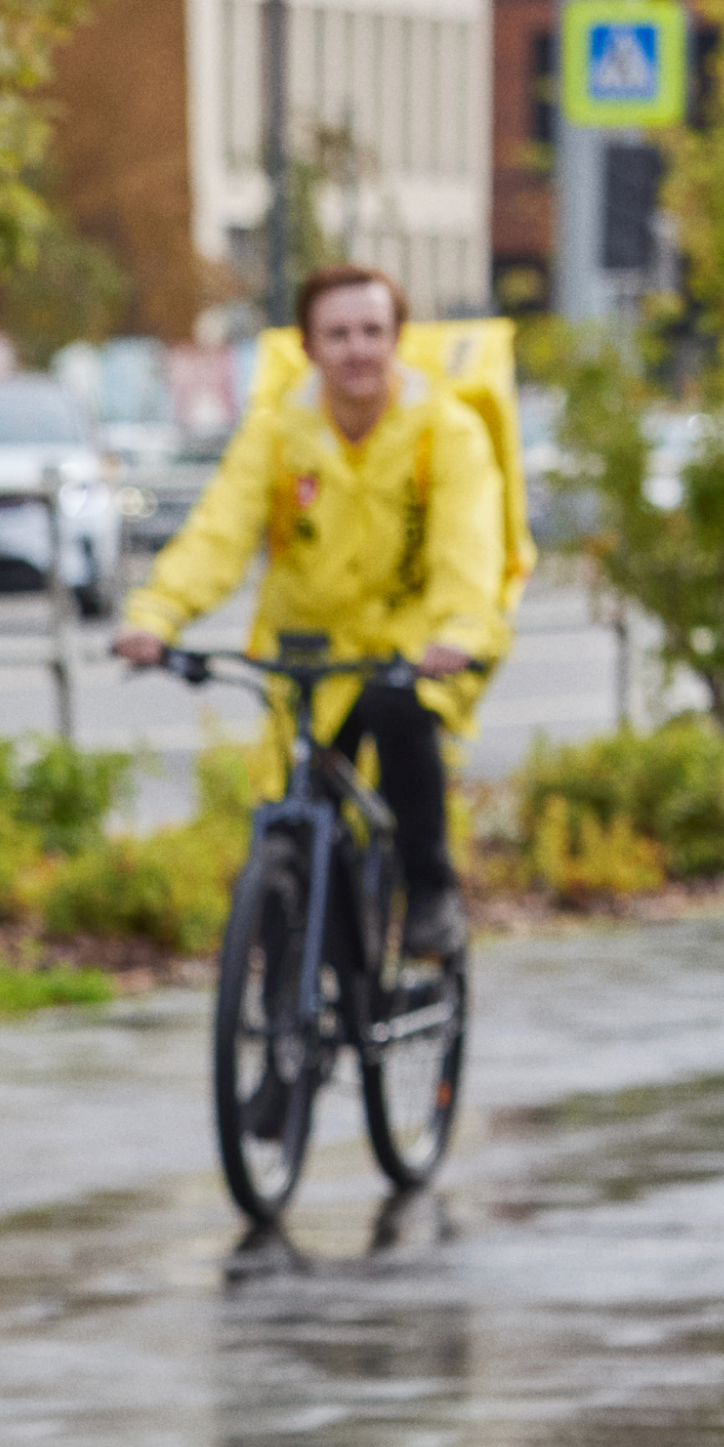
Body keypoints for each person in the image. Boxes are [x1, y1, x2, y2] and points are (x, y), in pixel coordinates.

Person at [110, 264, 512, 961]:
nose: (357, 349)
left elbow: (469, 548)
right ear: (307, 345)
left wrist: (462, 631)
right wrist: (157, 615)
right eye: (338, 333)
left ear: (398, 338)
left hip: (413, 644)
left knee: (399, 713)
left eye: (372, 331)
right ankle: (290, 1014)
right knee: (290, 827)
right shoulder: (277, 431)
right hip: (309, 652)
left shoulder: (444, 431)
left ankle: (430, 890)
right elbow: (218, 532)